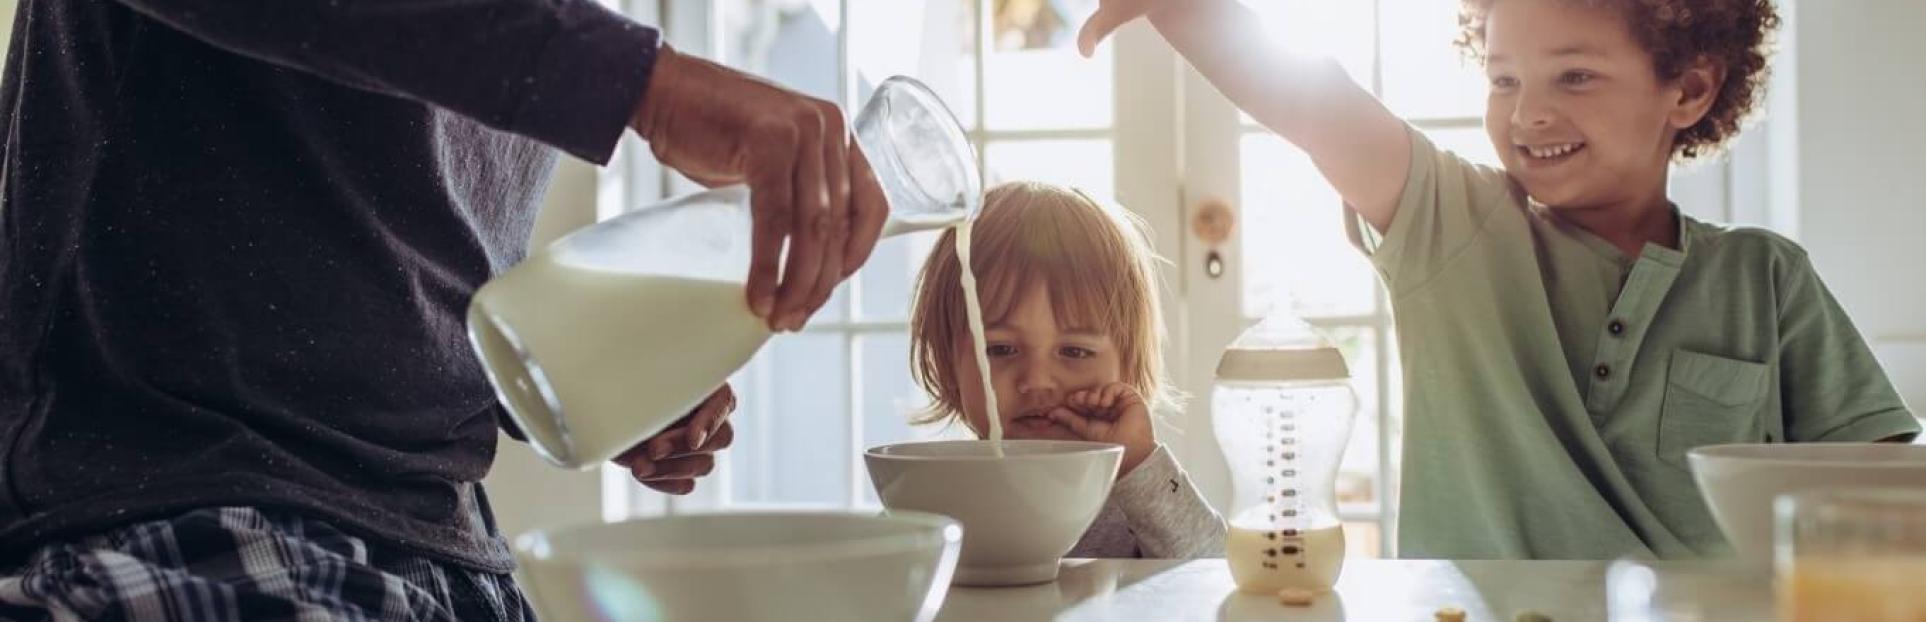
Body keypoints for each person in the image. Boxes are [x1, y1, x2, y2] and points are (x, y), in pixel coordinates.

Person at [0, 0, 887, 619]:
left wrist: (568, 370)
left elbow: (391, 217)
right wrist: (645, 86)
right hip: (175, 506)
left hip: (444, 546)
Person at [1079, 0, 1919, 559]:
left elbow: (1883, 489)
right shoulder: (1455, 227)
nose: (1527, 113)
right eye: (1503, 79)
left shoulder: (1766, 277)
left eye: (1575, 76)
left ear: (1691, 89)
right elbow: (1314, 101)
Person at [907, 181, 1226, 559]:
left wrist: (1139, 464)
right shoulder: (932, 493)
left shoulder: (1134, 494)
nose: (1037, 382)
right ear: (947, 363)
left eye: (1074, 351)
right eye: (1001, 349)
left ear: (1128, 362)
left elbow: (1211, 572)